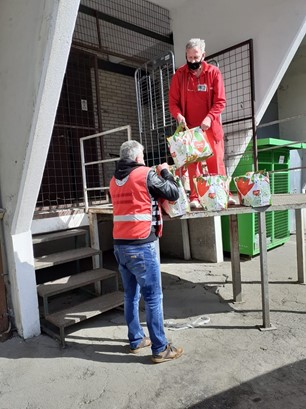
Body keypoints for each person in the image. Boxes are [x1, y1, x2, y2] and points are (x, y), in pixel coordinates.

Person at [109, 140, 184, 363]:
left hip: (120, 246)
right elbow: (173, 193)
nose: (144, 158)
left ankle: (136, 340)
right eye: (142, 155)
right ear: (137, 157)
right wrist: (165, 172)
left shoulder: (114, 180)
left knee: (130, 295)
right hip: (142, 245)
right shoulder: (145, 174)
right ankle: (160, 348)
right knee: (153, 298)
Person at [169, 38, 231, 209]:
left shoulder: (213, 73)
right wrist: (179, 116)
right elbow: (173, 102)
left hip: (211, 128)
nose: (193, 61)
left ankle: (221, 194)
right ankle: (195, 196)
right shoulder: (179, 75)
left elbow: (220, 101)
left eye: (196, 58)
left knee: (216, 162)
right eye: (189, 58)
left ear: (203, 55)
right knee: (193, 165)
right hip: (190, 130)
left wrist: (209, 118)